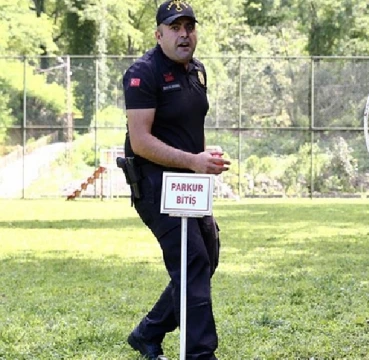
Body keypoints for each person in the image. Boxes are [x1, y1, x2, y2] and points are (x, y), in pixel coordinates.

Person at [120, 1, 230, 359]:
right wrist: (192, 160)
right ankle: (200, 354)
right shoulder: (142, 73)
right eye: (175, 27)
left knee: (207, 257)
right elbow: (141, 141)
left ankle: (147, 333)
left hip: (189, 184)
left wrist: (201, 156)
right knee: (192, 261)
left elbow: (186, 127)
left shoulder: (197, 70)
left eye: (189, 27)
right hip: (154, 185)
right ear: (159, 33)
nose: (184, 34)